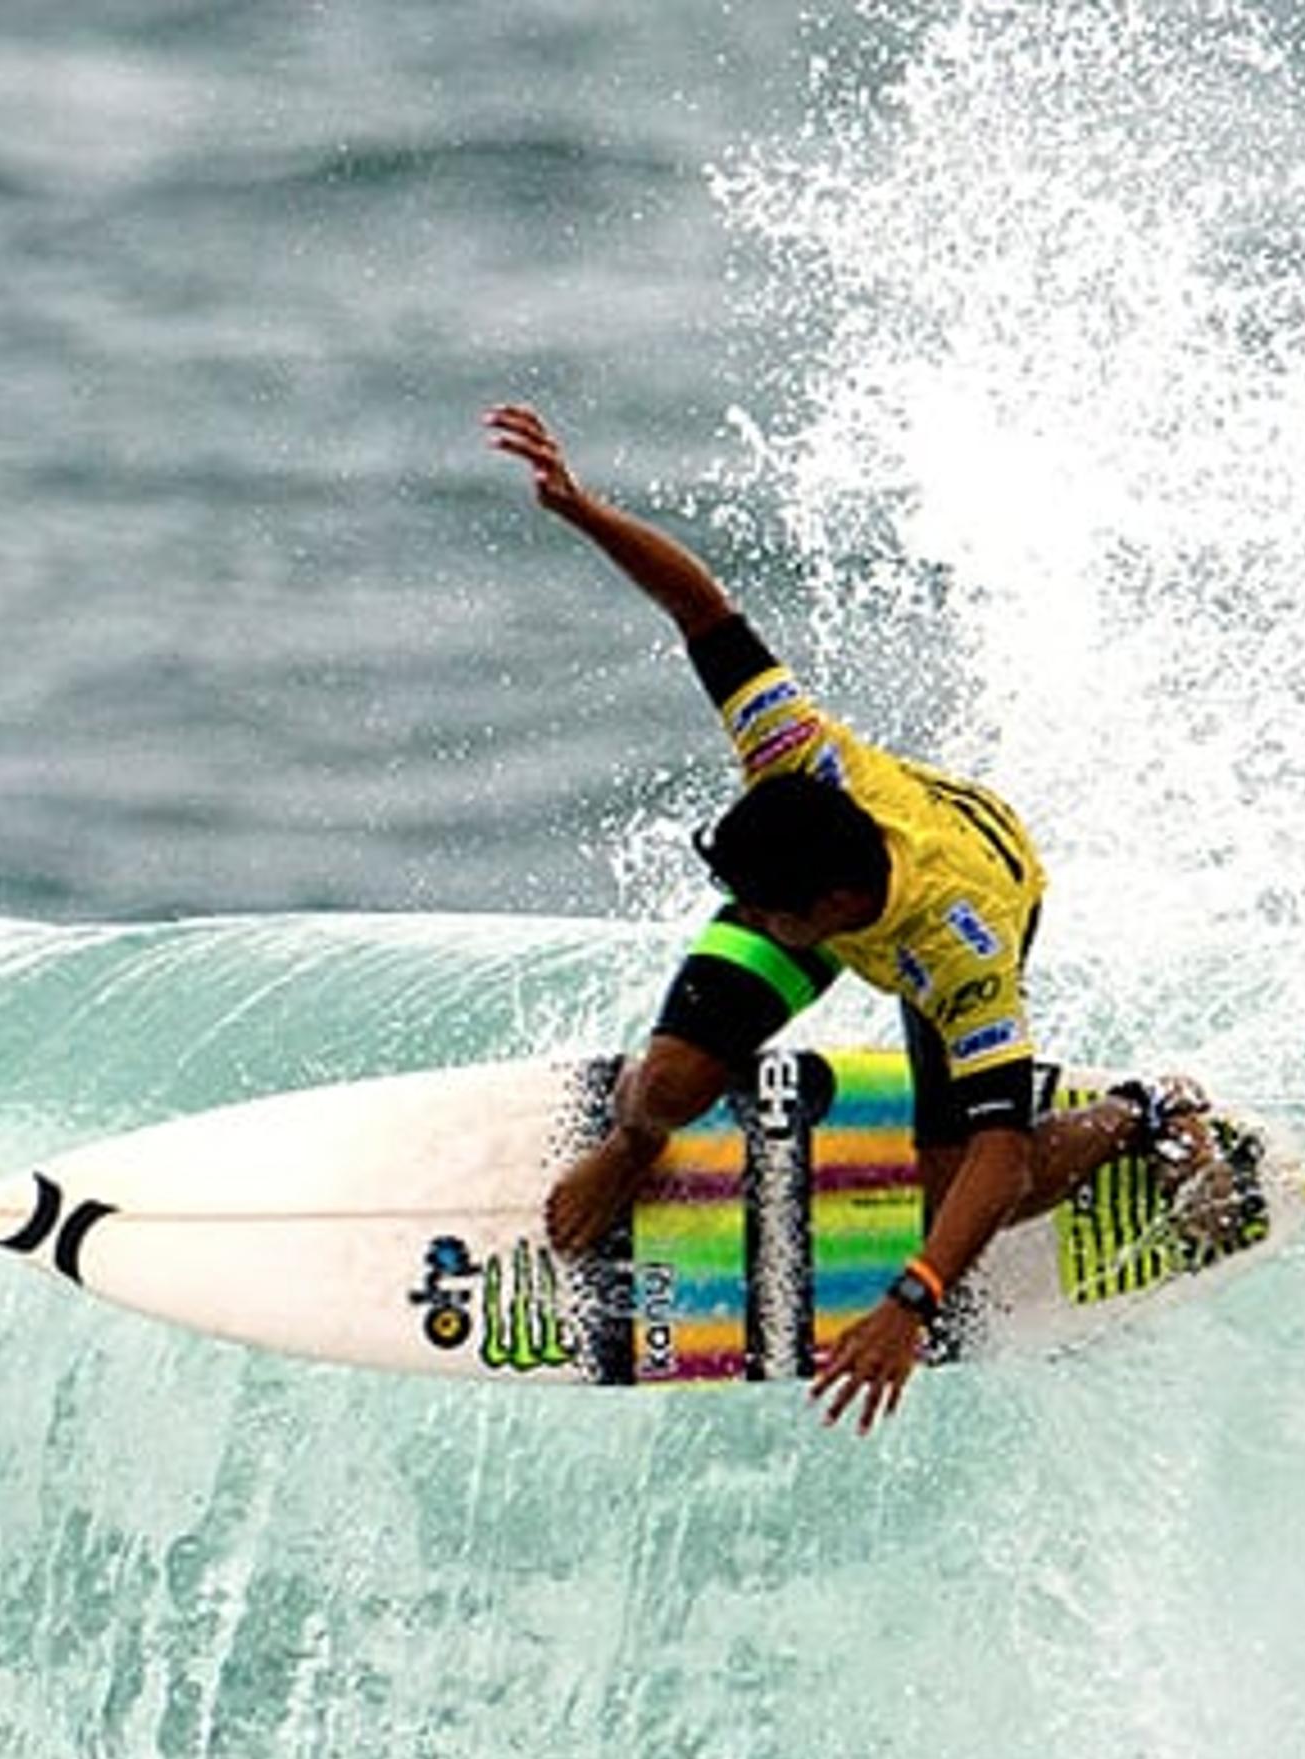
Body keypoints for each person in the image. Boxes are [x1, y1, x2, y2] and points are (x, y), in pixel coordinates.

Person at [485, 402, 1219, 1432]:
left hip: (973, 887)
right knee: (668, 1085)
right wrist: (581, 508)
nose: (739, 916)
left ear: (822, 913)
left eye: (759, 911)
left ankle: (1144, 1113)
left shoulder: (959, 951)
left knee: (961, 1200)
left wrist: (910, 1301)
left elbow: (1003, 1160)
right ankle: (635, 1144)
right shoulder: (792, 753)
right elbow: (700, 607)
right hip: (847, 865)